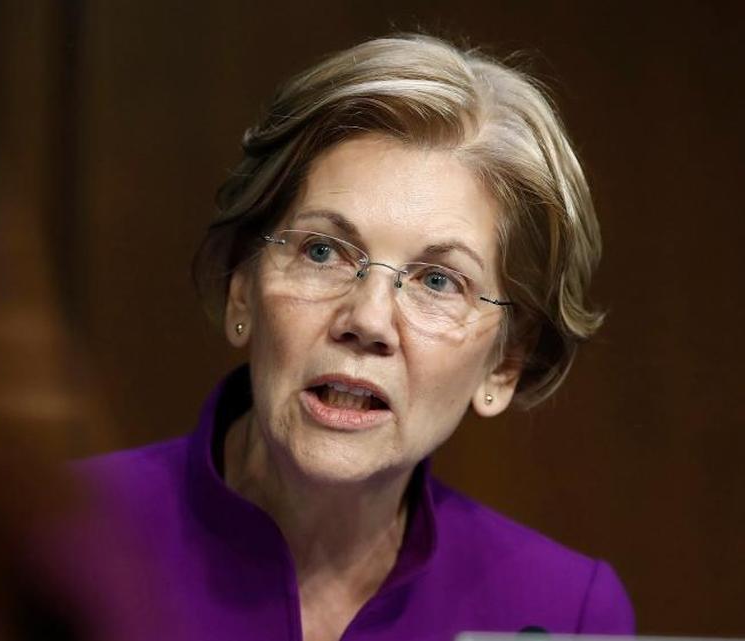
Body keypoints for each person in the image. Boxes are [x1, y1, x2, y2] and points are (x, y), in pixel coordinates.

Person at [77, 33, 633, 641]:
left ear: (505, 364)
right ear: (243, 286)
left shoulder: (560, 610)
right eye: (323, 251)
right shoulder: (50, 539)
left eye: (440, 282)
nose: (367, 321)